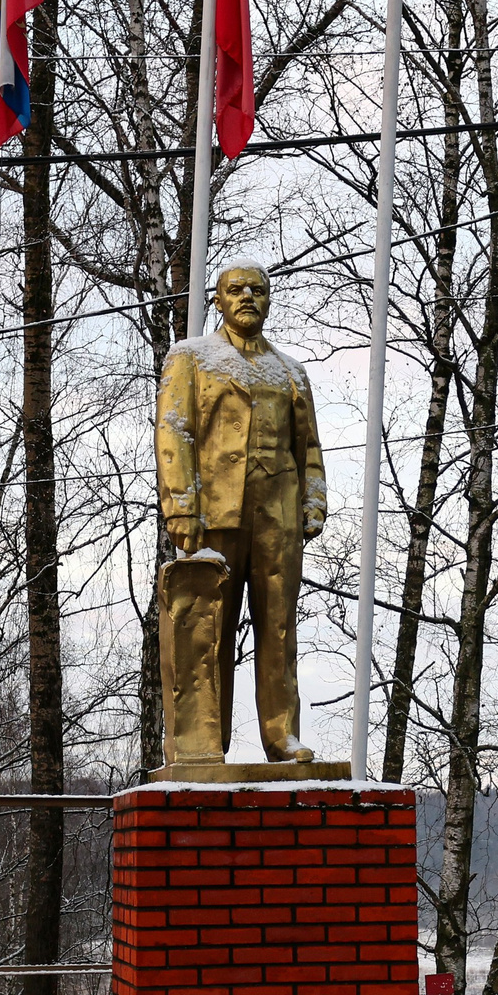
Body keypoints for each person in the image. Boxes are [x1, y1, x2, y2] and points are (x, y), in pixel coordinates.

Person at [154, 264, 326, 766]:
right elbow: (174, 432)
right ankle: (202, 741)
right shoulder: (191, 358)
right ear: (219, 300)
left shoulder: (291, 371)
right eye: (236, 290)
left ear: (269, 300)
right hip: (214, 516)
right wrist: (181, 505)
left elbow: (308, 446)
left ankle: (282, 736)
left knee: (278, 626)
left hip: (278, 517)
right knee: (208, 627)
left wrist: (313, 501)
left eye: (258, 290)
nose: (248, 297)